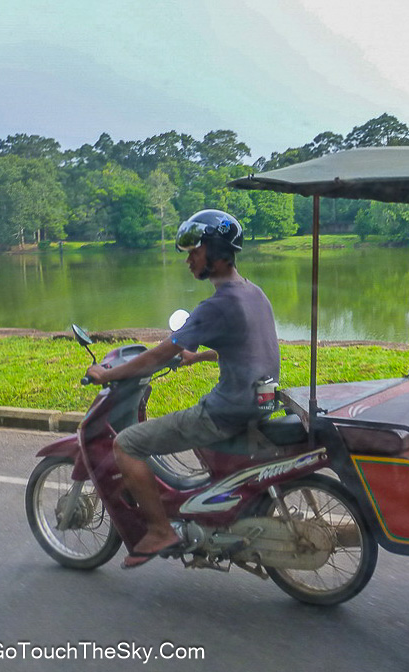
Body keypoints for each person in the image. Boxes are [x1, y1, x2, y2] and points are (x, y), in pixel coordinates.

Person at [85, 209, 280, 569]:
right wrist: (201, 357)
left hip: (227, 411)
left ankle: (160, 530)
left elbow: (158, 355)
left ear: (217, 252)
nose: (189, 258)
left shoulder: (216, 305)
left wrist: (109, 375)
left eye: (196, 250)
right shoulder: (251, 292)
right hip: (260, 402)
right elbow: (246, 344)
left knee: (126, 444)